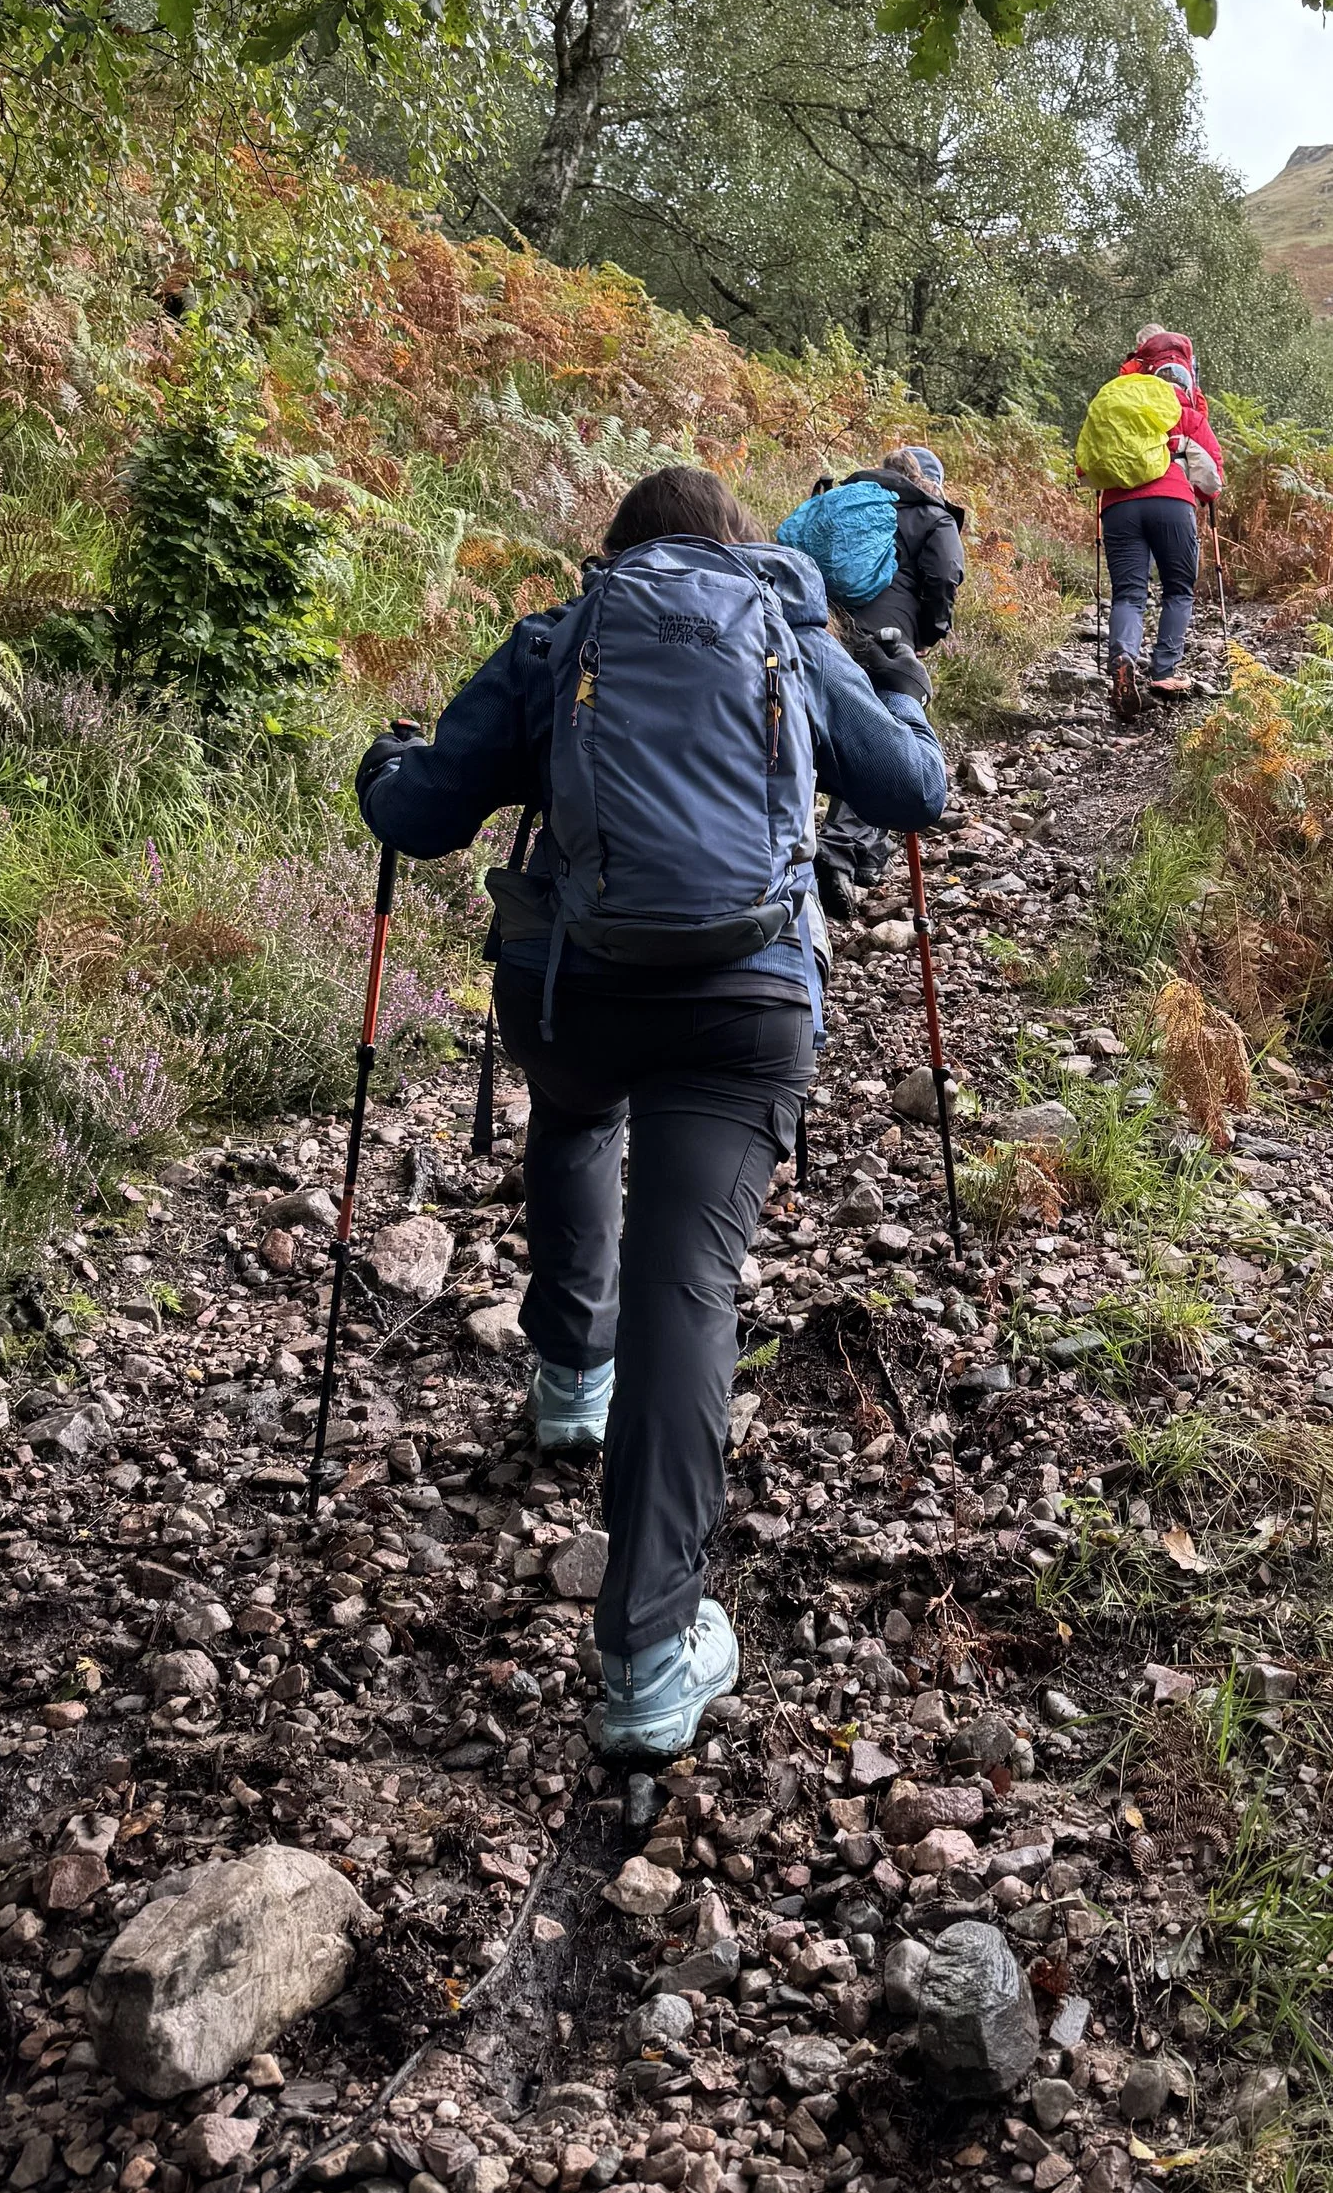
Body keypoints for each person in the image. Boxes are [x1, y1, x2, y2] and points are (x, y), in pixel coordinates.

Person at [355, 463, 945, 1759]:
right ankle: (648, 1651)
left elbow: (423, 811)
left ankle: (570, 1372)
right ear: (741, 550)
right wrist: (898, 684)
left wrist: (387, 761)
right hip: (746, 1006)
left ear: (613, 555)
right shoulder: (788, 630)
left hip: (580, 995)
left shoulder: (565, 637)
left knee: (572, 1116)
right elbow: (913, 788)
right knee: (693, 1279)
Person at [806, 445, 966, 922]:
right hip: (887, 639)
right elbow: (944, 577)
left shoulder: (841, 499)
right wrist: (930, 633)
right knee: (885, 740)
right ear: (928, 480)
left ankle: (805, 854)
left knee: (827, 736)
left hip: (819, 630)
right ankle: (839, 852)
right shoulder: (932, 515)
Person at [1089, 325, 1223, 705]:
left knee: (1128, 594)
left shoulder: (1119, 409)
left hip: (1118, 507)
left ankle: (1122, 658)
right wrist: (1203, 494)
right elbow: (1213, 476)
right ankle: (1164, 672)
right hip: (1172, 503)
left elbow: (1088, 469)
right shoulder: (1188, 413)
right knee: (1178, 589)